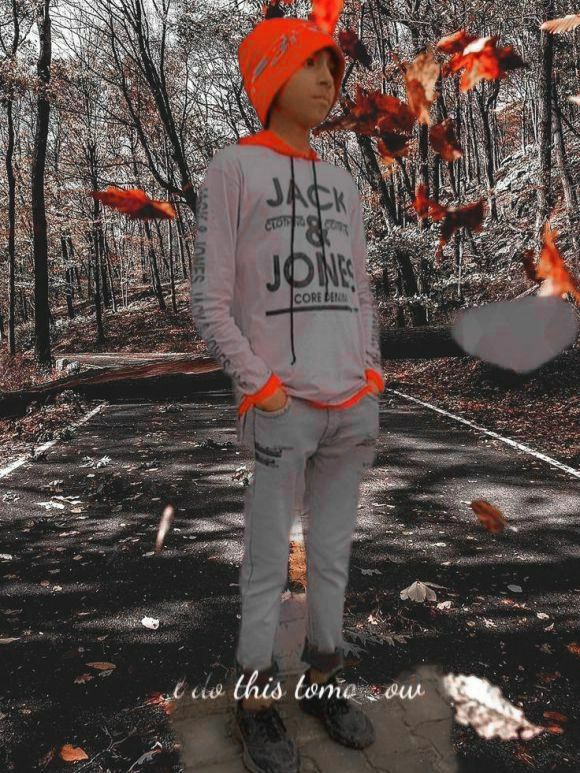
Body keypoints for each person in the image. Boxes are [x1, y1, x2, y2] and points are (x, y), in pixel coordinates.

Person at [191, 15, 384, 773]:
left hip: (350, 405)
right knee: (268, 561)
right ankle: (255, 700)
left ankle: (324, 680)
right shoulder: (233, 168)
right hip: (281, 407)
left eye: (333, 68)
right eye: (310, 64)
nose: (328, 80)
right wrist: (260, 386)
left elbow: (361, 292)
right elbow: (210, 303)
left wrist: (371, 376)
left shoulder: (343, 184)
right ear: (270, 75)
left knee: (332, 555)